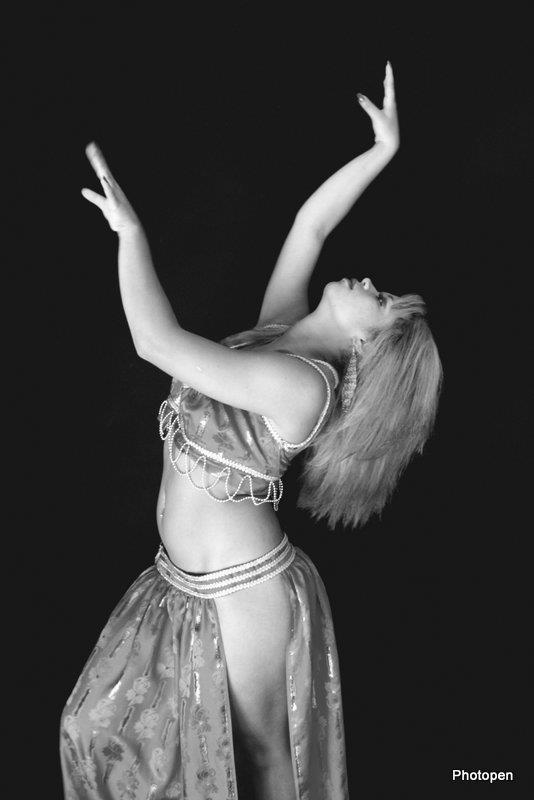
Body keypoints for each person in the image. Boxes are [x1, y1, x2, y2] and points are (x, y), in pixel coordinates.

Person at [60, 62, 442, 800]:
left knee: (266, 761)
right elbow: (311, 225)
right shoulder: (279, 334)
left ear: (368, 346)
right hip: (180, 580)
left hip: (246, 592)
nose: (371, 282)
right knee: (94, 729)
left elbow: (156, 343)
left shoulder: (304, 387)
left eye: (382, 301)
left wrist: (131, 234)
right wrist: (383, 151)